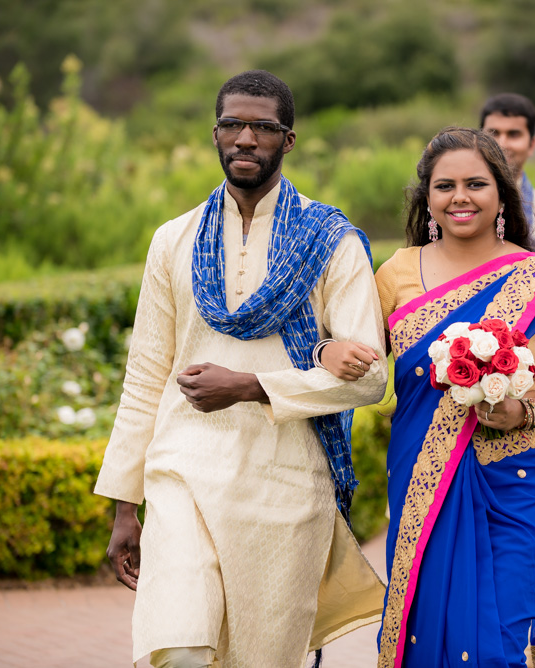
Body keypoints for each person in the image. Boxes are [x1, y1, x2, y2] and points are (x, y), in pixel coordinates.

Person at [94, 70, 389, 668]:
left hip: (284, 483)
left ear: (289, 139)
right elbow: (146, 374)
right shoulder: (173, 240)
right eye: (233, 124)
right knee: (177, 647)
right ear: (215, 134)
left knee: (260, 657)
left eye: (263, 127)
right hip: (182, 470)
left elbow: (370, 376)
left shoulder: (331, 242)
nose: (246, 139)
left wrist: (251, 387)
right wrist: (124, 504)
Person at [325, 127, 535, 667]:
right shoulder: (397, 272)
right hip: (423, 477)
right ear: (426, 197)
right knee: (429, 626)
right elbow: (363, 366)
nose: (460, 197)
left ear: (502, 193)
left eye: (476, 183)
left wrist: (524, 411)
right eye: (444, 185)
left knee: (502, 634)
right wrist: (326, 350)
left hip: (516, 480)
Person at [480, 93, 535, 243]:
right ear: (477, 139)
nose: (502, 144)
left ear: (532, 145)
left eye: (513, 134)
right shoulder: (454, 203)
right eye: (493, 133)